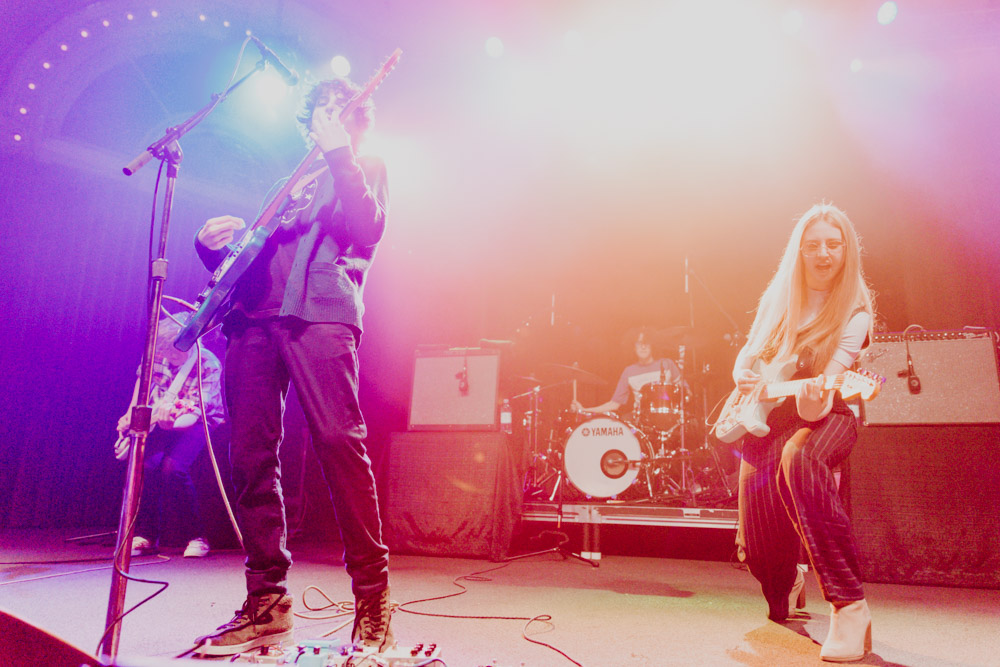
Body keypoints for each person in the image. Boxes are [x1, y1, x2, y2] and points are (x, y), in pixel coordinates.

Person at [190, 77, 392, 656]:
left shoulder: (363, 163)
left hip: (321, 315)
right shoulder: (288, 182)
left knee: (338, 443)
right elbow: (250, 255)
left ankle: (373, 599)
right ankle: (266, 603)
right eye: (317, 112)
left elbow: (368, 228)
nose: (324, 117)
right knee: (252, 456)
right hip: (254, 320)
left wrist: (340, 156)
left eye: (337, 109)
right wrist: (214, 243)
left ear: (356, 118)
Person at [730, 203, 875, 662]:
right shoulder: (780, 296)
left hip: (827, 414)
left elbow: (821, 400)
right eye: (813, 245)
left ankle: (850, 606)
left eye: (833, 244)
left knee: (801, 459)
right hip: (769, 413)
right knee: (757, 553)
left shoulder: (855, 311)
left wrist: (813, 395)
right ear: (800, 251)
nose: (823, 253)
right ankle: (788, 579)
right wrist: (743, 378)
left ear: (846, 250)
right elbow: (748, 355)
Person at [116, 314, 225, 559]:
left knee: (173, 468)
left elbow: (193, 414)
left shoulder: (208, 364)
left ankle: (197, 536)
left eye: (174, 354)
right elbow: (140, 394)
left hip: (198, 420)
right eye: (164, 353)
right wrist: (129, 418)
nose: (168, 359)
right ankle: (145, 535)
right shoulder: (155, 355)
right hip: (160, 417)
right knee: (146, 465)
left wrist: (169, 423)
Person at [570, 327, 681, 416]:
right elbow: (614, 404)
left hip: (670, 418)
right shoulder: (629, 371)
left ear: (652, 346)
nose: (643, 347)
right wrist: (584, 410)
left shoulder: (667, 364)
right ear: (633, 347)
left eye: (646, 343)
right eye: (638, 344)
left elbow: (683, 392)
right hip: (642, 422)